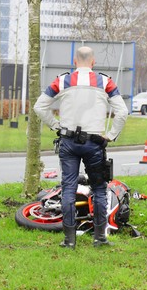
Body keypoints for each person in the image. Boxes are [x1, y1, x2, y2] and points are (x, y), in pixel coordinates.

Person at [34, 46, 128, 249]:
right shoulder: (105, 82)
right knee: (100, 190)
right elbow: (122, 112)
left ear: (74, 62)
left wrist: (56, 125)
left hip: (68, 142)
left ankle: (69, 241)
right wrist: (110, 136)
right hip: (95, 143)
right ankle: (99, 238)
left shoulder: (63, 81)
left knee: (68, 188)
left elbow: (39, 106)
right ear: (93, 62)